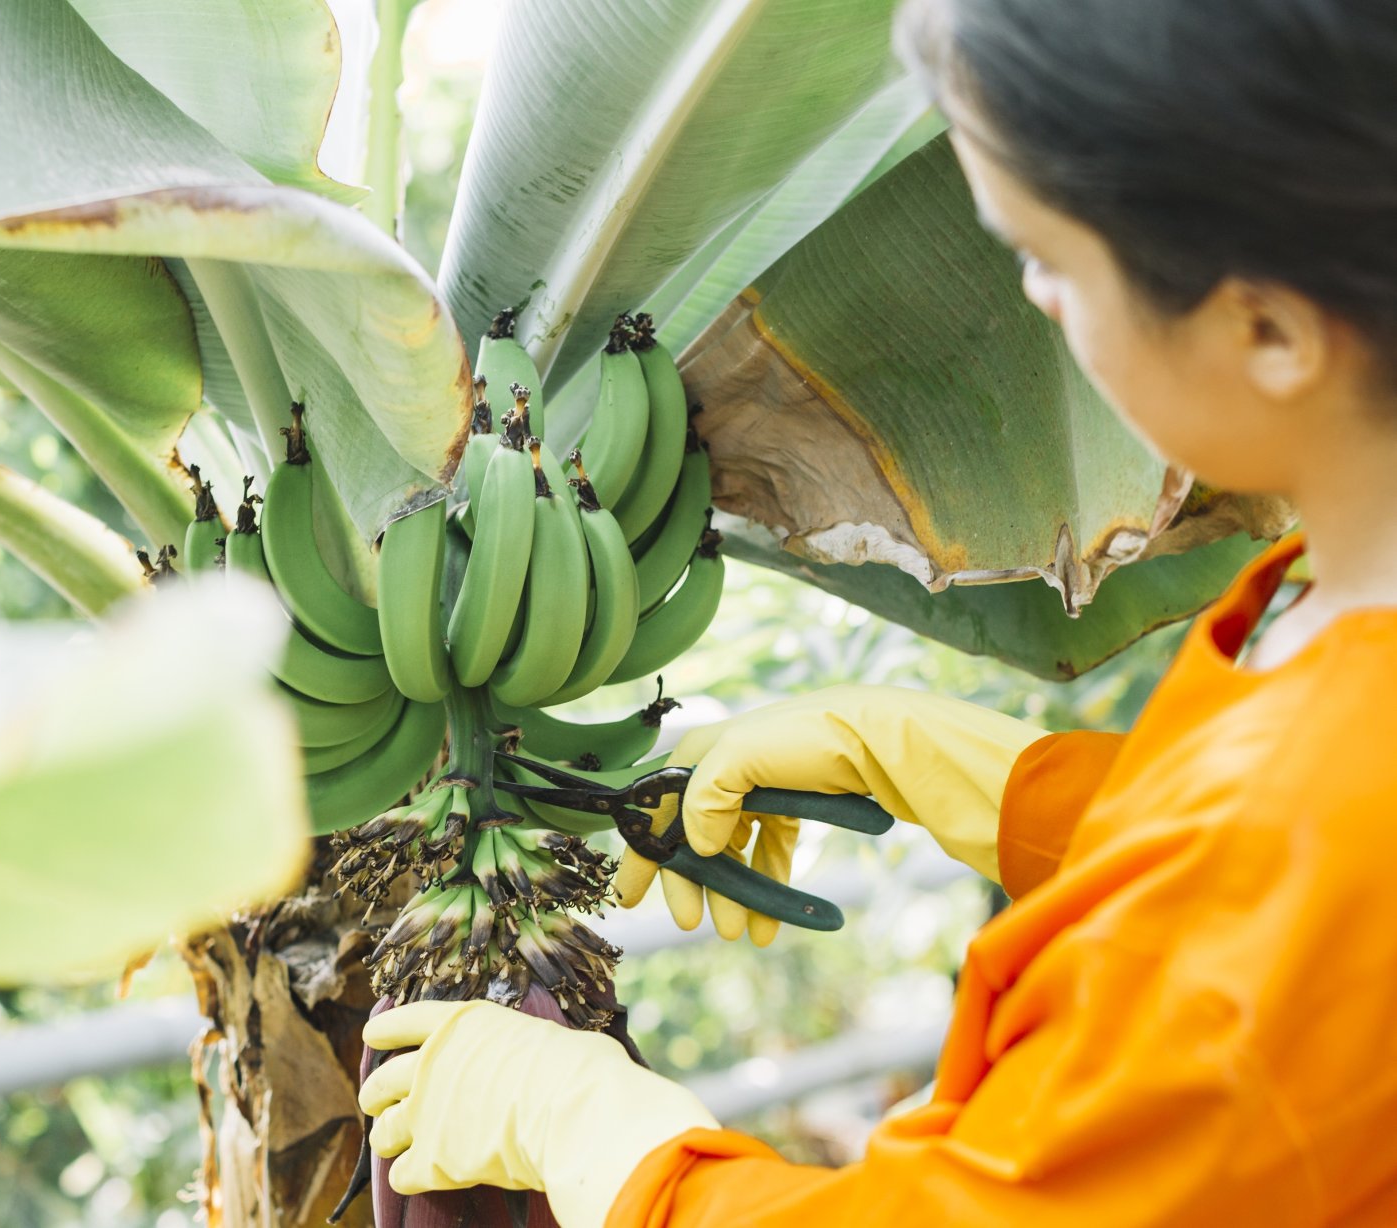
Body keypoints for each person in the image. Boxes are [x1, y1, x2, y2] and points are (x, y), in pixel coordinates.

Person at [357, 0, 1397, 1221]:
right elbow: (1281, 918)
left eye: (1050, 262)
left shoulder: (1320, 815)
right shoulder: (1335, 618)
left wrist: (602, 1136)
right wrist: (959, 770)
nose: (1036, 303)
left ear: (1266, 327)